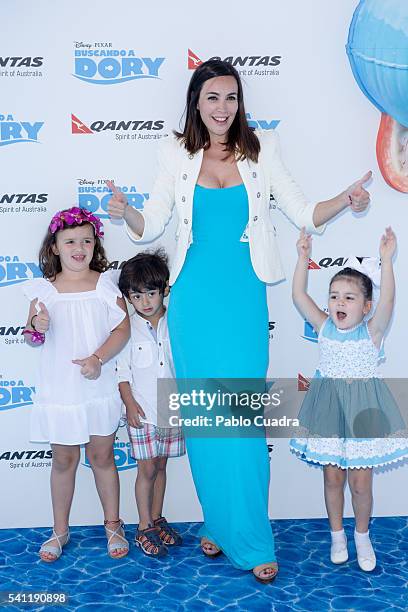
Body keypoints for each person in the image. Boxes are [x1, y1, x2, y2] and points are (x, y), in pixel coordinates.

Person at [106, 59, 371, 583]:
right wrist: (125, 213)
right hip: (194, 298)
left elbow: (302, 212)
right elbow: (150, 223)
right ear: (196, 103)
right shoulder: (174, 153)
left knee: (243, 421)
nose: (222, 107)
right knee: (207, 419)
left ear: (239, 102)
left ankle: (250, 537)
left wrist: (348, 198)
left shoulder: (262, 150)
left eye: (230, 97)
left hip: (243, 296)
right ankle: (222, 525)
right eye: (212, 98)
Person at [290, 227, 408, 571]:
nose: (339, 302)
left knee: (360, 484)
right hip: (327, 411)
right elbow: (298, 294)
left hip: (364, 414)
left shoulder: (373, 332)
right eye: (334, 295)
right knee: (332, 479)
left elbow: (388, 300)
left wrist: (386, 260)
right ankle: (337, 535)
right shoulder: (324, 326)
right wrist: (302, 257)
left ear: (366, 306)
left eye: (349, 297)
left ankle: (361, 535)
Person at [23, 207, 130, 562]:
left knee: (102, 456)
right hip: (60, 391)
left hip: (97, 389)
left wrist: (97, 359)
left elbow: (122, 329)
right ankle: (59, 530)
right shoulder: (43, 290)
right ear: (54, 246)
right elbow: (32, 336)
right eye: (69, 241)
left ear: (95, 244)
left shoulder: (104, 285)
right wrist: (37, 326)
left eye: (86, 240)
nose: (78, 247)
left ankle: (113, 524)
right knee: (64, 460)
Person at [116, 250, 185, 558]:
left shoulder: (179, 323)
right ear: (128, 298)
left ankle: (157, 518)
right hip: (142, 413)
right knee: (145, 469)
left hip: (172, 410)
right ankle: (143, 526)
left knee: (161, 465)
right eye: (136, 296)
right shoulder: (126, 329)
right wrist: (129, 404)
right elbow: (121, 373)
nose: (145, 302)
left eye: (151, 294)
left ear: (165, 290)